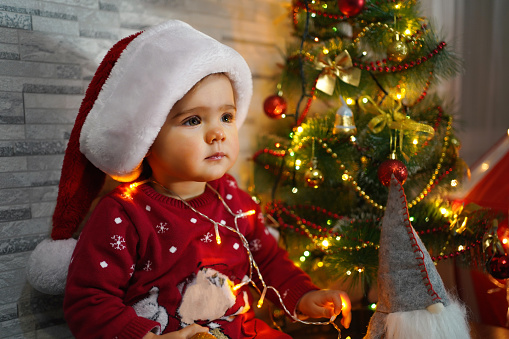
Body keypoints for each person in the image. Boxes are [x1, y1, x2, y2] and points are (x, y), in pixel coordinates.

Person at [39, 20, 352, 338]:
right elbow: (89, 302)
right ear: (146, 138)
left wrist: (304, 294)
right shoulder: (123, 214)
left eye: (227, 116)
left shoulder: (231, 198)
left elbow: (267, 259)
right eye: (193, 120)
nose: (218, 132)